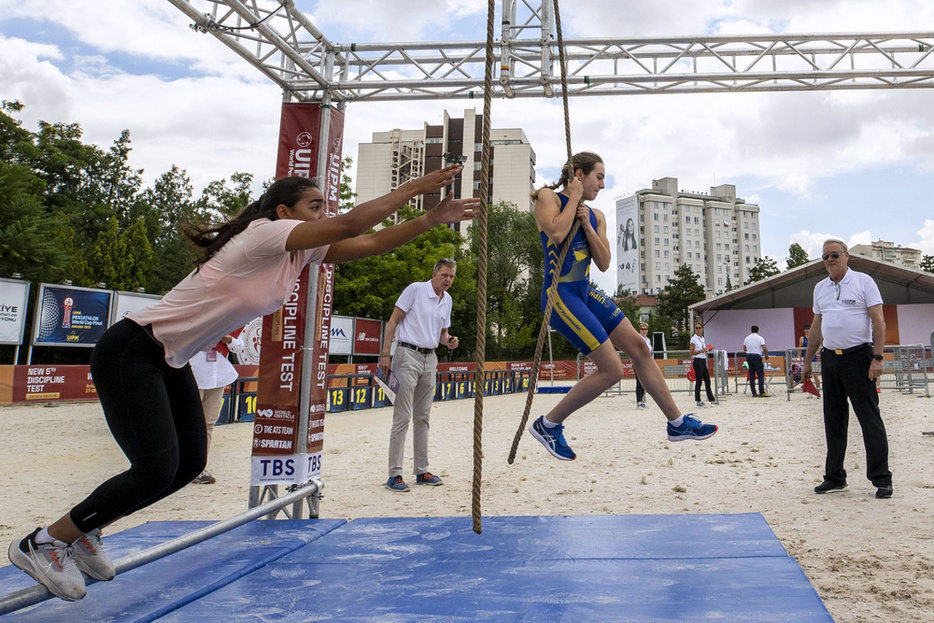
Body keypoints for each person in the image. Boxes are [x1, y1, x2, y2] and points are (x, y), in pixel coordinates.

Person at [7, 166, 478, 601]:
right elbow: (353, 225)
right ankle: (44, 542)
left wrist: (432, 219)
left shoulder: (299, 251)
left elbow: (371, 244)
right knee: (155, 467)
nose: (324, 214)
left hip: (170, 359)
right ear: (283, 212)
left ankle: (88, 529)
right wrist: (417, 188)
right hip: (133, 349)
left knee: (189, 463)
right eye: (315, 206)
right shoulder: (264, 236)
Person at [526, 151, 717, 461]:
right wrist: (573, 199)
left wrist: (588, 227)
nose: (602, 184)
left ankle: (677, 423)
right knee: (612, 369)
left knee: (640, 347)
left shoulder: (595, 215)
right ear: (578, 174)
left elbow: (603, 263)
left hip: (585, 290)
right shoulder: (548, 197)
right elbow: (557, 232)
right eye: (598, 176)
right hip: (559, 295)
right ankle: (549, 424)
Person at [802, 239, 892, 499]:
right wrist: (808, 361)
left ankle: (881, 479)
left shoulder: (864, 282)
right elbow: (816, 327)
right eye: (825, 256)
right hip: (830, 358)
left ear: (846, 256)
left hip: (859, 358)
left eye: (834, 255)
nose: (829, 260)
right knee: (833, 419)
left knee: (869, 419)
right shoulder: (820, 288)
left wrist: (877, 357)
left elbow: (879, 322)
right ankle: (834, 477)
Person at [380, 258, 459, 492]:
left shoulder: (448, 300)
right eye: (445, 275)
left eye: (452, 276)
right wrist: (386, 354)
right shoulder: (415, 290)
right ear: (434, 274)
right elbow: (393, 321)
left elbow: (442, 334)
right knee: (402, 416)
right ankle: (395, 474)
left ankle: (421, 471)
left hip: (430, 356)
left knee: (423, 417)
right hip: (408, 353)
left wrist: (450, 341)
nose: (448, 280)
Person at [189, 333, 245, 485]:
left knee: (208, 424)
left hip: (217, 373)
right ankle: (180, 466)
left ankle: (199, 468)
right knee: (188, 421)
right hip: (192, 370)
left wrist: (228, 339)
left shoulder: (230, 318)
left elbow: (239, 346)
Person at [689, 322, 719, 407]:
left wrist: (707, 350)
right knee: (699, 381)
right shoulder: (693, 339)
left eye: (699, 328)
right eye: (696, 328)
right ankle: (698, 400)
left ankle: (711, 398)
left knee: (707, 380)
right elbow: (691, 352)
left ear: (702, 329)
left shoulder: (702, 338)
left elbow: (703, 349)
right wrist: (702, 351)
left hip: (703, 359)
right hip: (697, 360)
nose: (698, 329)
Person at [743, 325, 770, 397]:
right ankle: (762, 391)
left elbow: (744, 348)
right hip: (757, 356)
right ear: (758, 330)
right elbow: (764, 347)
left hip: (749, 356)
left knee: (751, 374)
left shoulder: (747, 338)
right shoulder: (760, 338)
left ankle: (754, 392)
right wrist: (766, 355)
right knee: (760, 374)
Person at [634, 322, 652, 408]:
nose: (644, 331)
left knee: (645, 381)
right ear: (639, 330)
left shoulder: (648, 340)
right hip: (639, 362)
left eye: (645, 329)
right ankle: (639, 401)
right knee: (639, 381)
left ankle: (642, 399)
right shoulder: (638, 338)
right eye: (642, 329)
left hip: (646, 362)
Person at [799, 323, 822, 390]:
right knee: (807, 375)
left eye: (809, 329)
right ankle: (809, 390)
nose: (807, 330)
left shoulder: (814, 337)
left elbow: (820, 347)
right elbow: (799, 348)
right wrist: (799, 356)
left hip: (813, 358)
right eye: (806, 329)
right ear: (804, 330)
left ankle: (818, 389)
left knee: (815, 375)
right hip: (806, 359)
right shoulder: (802, 338)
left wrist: (814, 353)